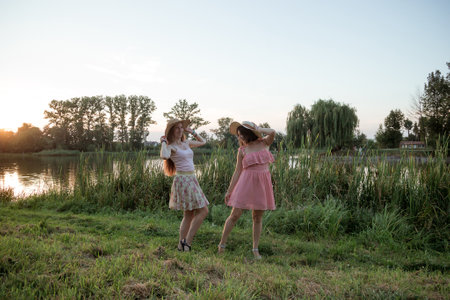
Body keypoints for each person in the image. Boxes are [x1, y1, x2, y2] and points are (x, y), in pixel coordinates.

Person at [218, 121, 276, 259]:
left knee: (257, 217)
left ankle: (255, 249)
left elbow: (273, 132)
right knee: (235, 215)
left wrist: (258, 128)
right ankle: (222, 244)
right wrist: (229, 190)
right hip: (245, 183)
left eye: (241, 135)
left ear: (249, 134)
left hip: (262, 184)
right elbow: (237, 172)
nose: (240, 138)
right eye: (238, 136)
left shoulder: (264, 143)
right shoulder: (242, 151)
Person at [160, 119, 209, 252]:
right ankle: (186, 242)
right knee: (203, 211)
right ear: (171, 131)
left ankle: (181, 245)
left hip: (192, 178)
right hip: (183, 180)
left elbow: (203, 142)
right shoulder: (171, 147)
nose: (180, 130)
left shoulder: (186, 143)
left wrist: (192, 131)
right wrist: (164, 142)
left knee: (189, 214)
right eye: (177, 128)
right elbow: (164, 155)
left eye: (181, 127)